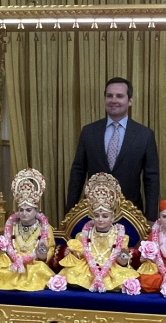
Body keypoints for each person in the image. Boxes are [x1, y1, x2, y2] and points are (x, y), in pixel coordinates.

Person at [66, 77, 160, 221]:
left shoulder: (144, 135)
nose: (113, 100)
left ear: (130, 101)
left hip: (131, 214)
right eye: (109, 96)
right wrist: (70, 213)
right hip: (94, 213)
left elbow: (151, 179)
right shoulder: (89, 132)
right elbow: (78, 172)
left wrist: (151, 218)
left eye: (120, 96)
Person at [59, 173, 140, 292]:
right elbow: (79, 255)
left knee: (126, 278)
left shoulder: (120, 236)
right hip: (87, 267)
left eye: (105, 216)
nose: (100, 219)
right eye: (97, 216)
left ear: (113, 217)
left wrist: (122, 257)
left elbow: (123, 262)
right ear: (92, 217)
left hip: (111, 267)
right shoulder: (83, 235)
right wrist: (73, 254)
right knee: (70, 273)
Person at [0, 168, 55, 291]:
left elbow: (49, 250)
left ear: (36, 211)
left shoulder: (45, 228)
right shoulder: (12, 226)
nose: (24, 213)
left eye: (28, 210)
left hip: (33, 264)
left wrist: (42, 255)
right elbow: (7, 247)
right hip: (12, 262)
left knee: (40, 270)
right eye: (21, 210)